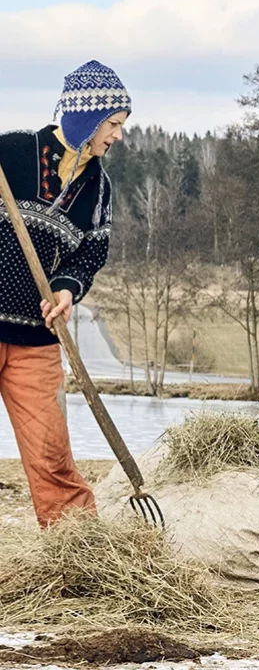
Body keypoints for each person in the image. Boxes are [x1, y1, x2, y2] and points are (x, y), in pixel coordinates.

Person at [0, 60, 131, 526]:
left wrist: (66, 289)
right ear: (87, 117)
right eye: (113, 124)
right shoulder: (11, 155)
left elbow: (91, 254)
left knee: (52, 458)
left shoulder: (98, 188)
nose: (117, 136)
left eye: (119, 126)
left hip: (37, 339)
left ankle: (79, 553)